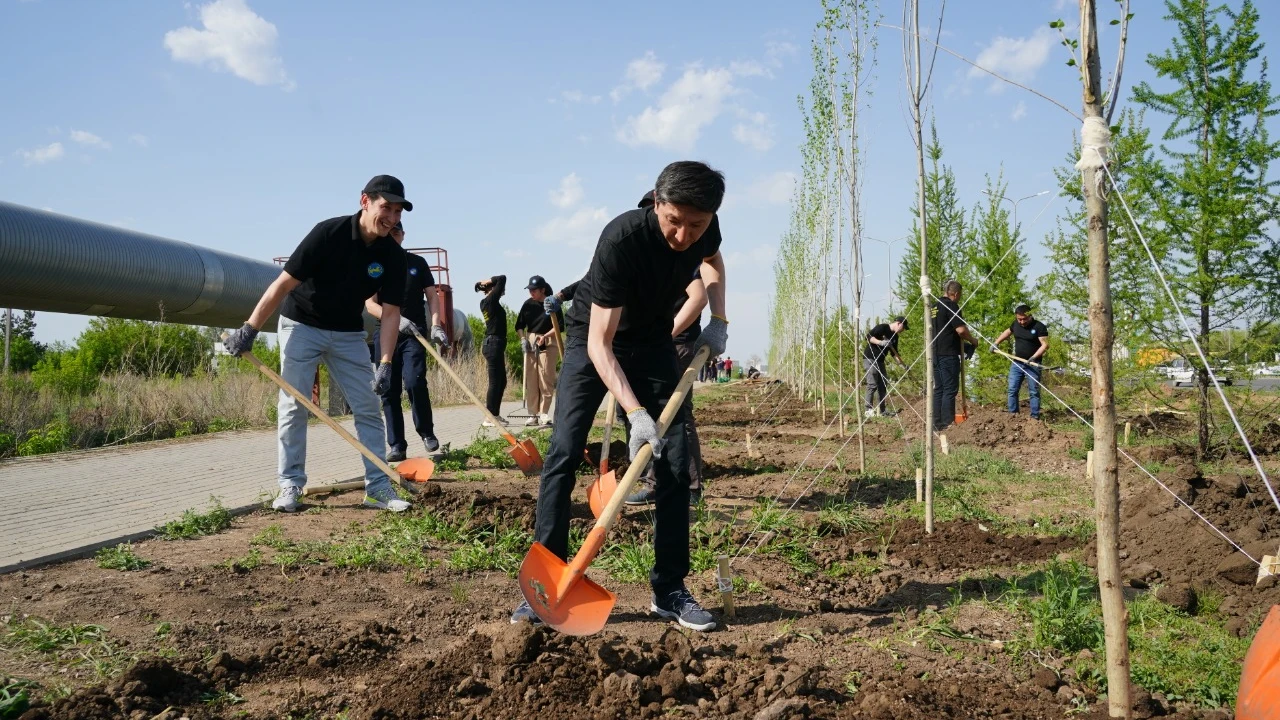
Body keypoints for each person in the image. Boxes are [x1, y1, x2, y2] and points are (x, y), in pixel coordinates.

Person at [510, 161, 729, 632]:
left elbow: (712, 263)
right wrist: (634, 413)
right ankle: (543, 586)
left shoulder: (703, 229)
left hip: (652, 340)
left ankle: (669, 589)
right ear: (656, 203)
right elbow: (599, 345)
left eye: (697, 225)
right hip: (596, 336)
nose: (683, 236)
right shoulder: (622, 240)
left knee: (671, 459)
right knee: (565, 451)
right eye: (674, 221)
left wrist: (720, 317)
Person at [222, 175, 413, 513]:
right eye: (387, 208)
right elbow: (282, 285)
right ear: (365, 201)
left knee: (368, 407)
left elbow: (392, 314)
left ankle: (378, 488)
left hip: (348, 333)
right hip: (302, 324)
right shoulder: (328, 233)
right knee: (294, 406)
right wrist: (250, 328)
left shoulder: (392, 256)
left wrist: (384, 363)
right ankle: (290, 486)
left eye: (399, 212)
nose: (393, 219)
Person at [626, 190, 711, 507]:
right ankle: (654, 482)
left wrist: (668, 331)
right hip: (653, 345)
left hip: (676, 345)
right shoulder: (649, 261)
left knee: (677, 414)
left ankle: (689, 490)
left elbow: (699, 297)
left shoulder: (682, 258)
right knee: (651, 414)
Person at [363, 221, 448, 462]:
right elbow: (370, 304)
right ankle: (397, 445)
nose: (393, 235)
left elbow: (432, 296)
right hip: (387, 334)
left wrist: (437, 325)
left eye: (397, 231)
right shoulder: (376, 266)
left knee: (414, 381)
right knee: (388, 389)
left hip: (415, 334)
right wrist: (396, 320)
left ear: (403, 235)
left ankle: (426, 433)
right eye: (389, 231)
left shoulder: (417, 264)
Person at [515, 275, 563, 426]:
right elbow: (519, 325)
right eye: (530, 290)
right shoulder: (527, 305)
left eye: (534, 290)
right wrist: (523, 339)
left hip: (548, 340)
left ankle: (544, 413)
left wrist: (545, 336)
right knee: (531, 379)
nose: (531, 293)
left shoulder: (552, 304)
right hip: (531, 341)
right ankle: (532, 414)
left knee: (545, 378)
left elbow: (560, 327)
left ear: (542, 290)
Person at [930, 280, 976, 433]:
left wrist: (965, 346)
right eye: (960, 295)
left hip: (935, 353)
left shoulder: (933, 307)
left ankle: (936, 424)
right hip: (948, 354)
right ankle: (948, 424)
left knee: (940, 389)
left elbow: (944, 331)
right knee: (949, 389)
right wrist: (973, 340)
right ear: (956, 294)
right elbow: (961, 330)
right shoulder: (951, 305)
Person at [994, 303, 1050, 420]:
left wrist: (1033, 357)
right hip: (1017, 363)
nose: (1022, 322)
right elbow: (1007, 332)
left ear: (1030, 316)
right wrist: (996, 343)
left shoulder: (1039, 327)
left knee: (1034, 392)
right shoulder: (1016, 324)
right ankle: (1013, 415)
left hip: (1033, 364)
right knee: (1012, 389)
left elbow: (1045, 345)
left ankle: (1034, 417)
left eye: (1024, 319)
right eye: (1019, 319)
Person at [476, 274, 509, 425]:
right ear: (492, 289)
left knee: (502, 381)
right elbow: (502, 278)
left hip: (495, 344)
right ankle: (489, 416)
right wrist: (486, 282)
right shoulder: (490, 300)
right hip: (493, 344)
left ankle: (494, 414)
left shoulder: (489, 302)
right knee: (495, 382)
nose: (503, 290)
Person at [864, 316, 908, 418]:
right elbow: (868, 337)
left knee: (883, 384)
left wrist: (902, 365)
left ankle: (882, 410)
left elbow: (894, 354)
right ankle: (868, 410)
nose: (903, 330)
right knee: (872, 384)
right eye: (903, 327)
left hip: (880, 361)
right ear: (899, 323)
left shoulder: (895, 337)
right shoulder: (882, 327)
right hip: (870, 358)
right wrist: (881, 342)